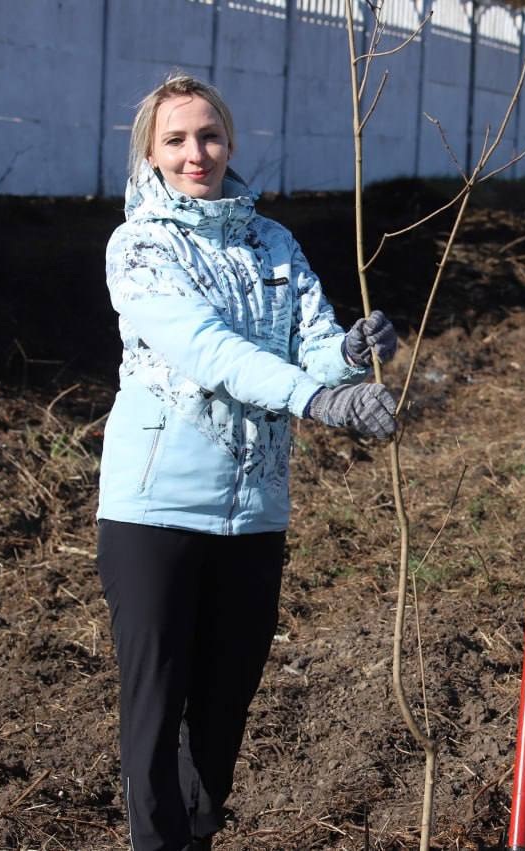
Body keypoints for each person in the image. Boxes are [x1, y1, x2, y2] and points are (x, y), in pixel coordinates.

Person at [96, 74, 399, 851]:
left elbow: (311, 342)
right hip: (154, 510)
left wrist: (346, 355)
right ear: (153, 154)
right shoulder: (140, 247)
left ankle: (194, 838)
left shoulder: (273, 241)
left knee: (225, 710)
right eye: (176, 139)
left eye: (209, 135)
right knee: (158, 711)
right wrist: (317, 399)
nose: (196, 152)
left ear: (229, 141)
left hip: (255, 509)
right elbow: (209, 350)